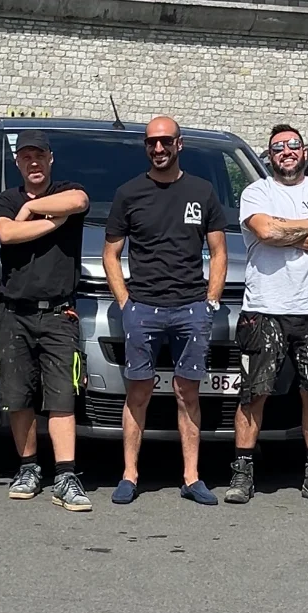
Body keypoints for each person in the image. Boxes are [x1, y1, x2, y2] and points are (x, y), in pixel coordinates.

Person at [103, 116, 228, 506]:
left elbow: (219, 251)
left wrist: (210, 301)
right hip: (143, 308)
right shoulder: (128, 193)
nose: (158, 148)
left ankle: (191, 477)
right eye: (151, 142)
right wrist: (125, 303)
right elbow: (111, 254)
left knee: (187, 392)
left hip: (191, 308)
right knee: (138, 391)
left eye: (166, 141)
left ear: (179, 144)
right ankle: (129, 475)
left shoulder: (202, 191)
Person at [226, 124, 308, 505]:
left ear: (304, 152)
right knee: (254, 393)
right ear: (270, 156)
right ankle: (243, 472)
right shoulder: (257, 192)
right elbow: (265, 231)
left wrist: (286, 231)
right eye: (278, 147)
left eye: (293, 145)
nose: (286, 151)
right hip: (265, 308)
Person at [0, 130, 93, 512]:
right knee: (18, 396)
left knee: (62, 396)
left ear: (50, 159)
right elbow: (7, 233)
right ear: (17, 162)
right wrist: (53, 222)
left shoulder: (67, 190)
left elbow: (79, 201)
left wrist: (32, 211)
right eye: (26, 156)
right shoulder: (6, 199)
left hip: (58, 313)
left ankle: (65, 476)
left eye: (39, 156)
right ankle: (28, 468)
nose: (33, 162)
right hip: (14, 312)